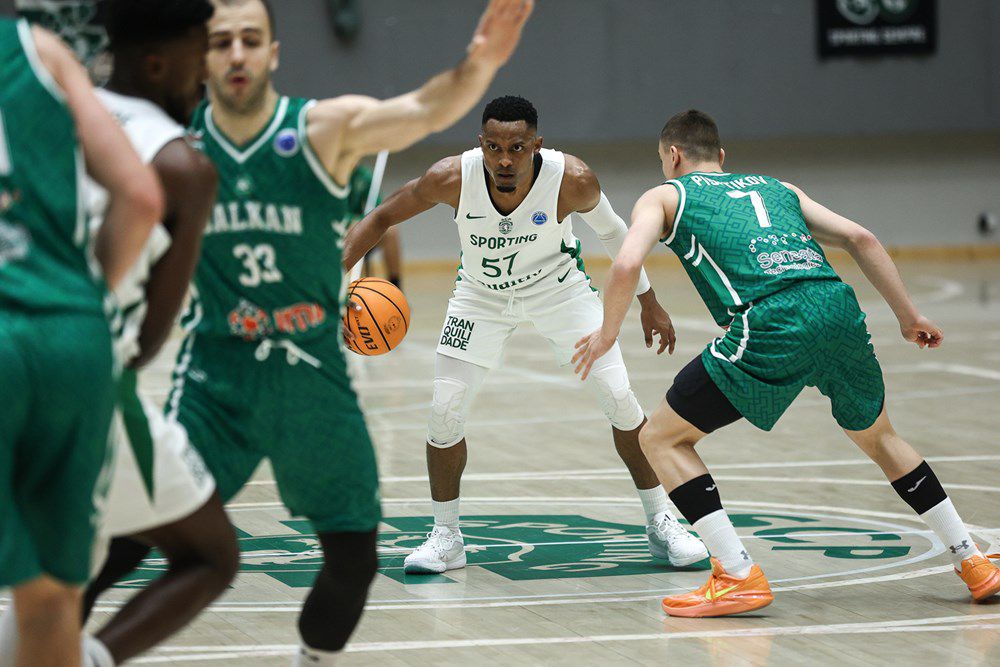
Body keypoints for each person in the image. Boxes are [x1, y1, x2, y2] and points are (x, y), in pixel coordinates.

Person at [157, 1, 532, 663]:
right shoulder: (170, 140)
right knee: (147, 531)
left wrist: (483, 63)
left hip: (311, 373)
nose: (238, 53)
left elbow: (421, 109)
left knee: (356, 554)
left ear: (274, 52)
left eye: (252, 39)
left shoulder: (321, 128)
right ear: (201, 54)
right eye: (222, 41)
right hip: (218, 370)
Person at [573, 109, 1000, 617]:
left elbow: (625, 261)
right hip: (838, 309)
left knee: (660, 437)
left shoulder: (665, 195)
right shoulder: (780, 188)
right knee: (881, 437)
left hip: (772, 321)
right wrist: (909, 316)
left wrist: (607, 333)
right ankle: (972, 560)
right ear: (723, 157)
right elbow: (861, 238)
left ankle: (736, 573)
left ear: (673, 155)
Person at [343, 95, 708, 575]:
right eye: (493, 146)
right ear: (480, 144)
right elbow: (382, 217)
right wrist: (331, 276)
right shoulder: (451, 177)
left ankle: (661, 519)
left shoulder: (571, 180)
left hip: (560, 291)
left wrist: (649, 300)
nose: (504, 159)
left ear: (537, 145)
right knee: (444, 411)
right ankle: (446, 537)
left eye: (516, 148)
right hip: (480, 297)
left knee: (620, 399)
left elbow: (616, 234)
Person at [0, 17, 162, 667]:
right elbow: (141, 196)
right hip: (72, 337)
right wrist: (84, 299)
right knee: (51, 599)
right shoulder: (39, 48)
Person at [348, 163, 403, 288]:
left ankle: (396, 287)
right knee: (352, 230)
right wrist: (351, 221)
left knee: (391, 231)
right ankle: (352, 290)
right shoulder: (330, 174)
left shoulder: (364, 176)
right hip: (336, 229)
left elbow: (378, 210)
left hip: (358, 225)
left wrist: (360, 222)